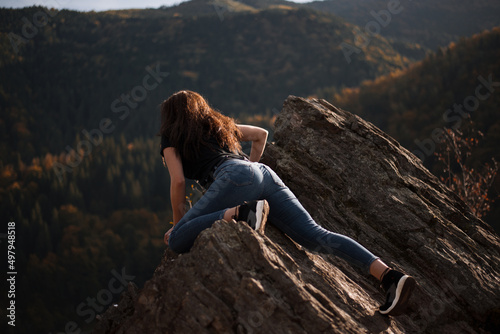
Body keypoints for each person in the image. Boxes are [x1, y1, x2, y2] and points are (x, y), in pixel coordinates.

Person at [159, 90, 415, 316]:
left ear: (170, 118)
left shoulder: (172, 136)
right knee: (316, 235)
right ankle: (389, 276)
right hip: (263, 174)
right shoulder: (218, 124)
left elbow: (178, 182)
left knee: (177, 240)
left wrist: (179, 224)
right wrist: (250, 167)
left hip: (233, 178)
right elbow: (261, 135)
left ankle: (242, 212)